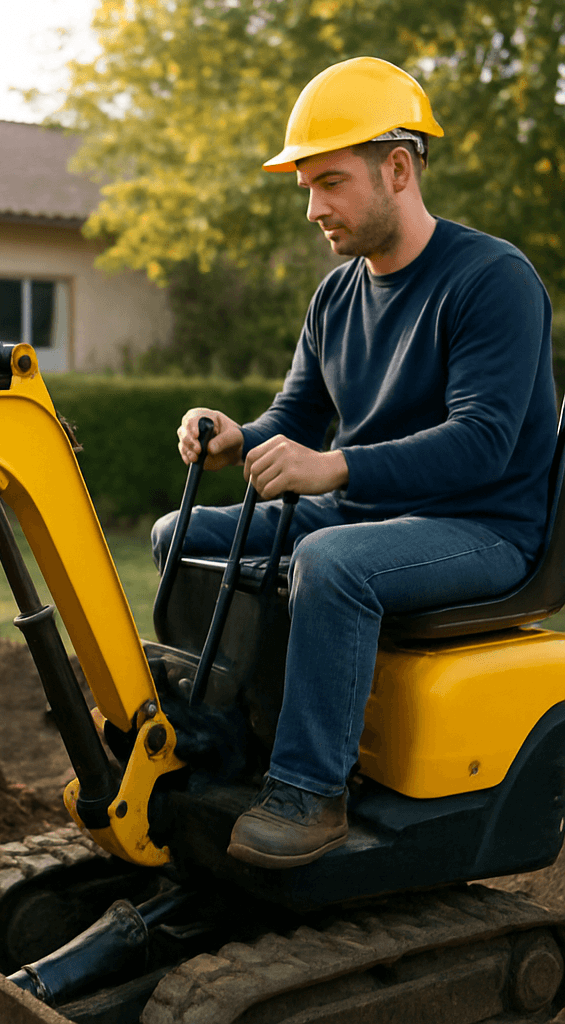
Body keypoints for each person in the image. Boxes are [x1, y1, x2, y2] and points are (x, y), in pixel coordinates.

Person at [151, 56, 557, 870]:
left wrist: (333, 470)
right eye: (306, 186)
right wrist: (236, 437)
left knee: (332, 563)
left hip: (484, 526)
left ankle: (310, 794)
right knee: (179, 533)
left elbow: (482, 442)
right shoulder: (337, 295)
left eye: (329, 182)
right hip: (370, 511)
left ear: (398, 169)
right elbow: (293, 420)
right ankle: (232, 737)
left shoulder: (492, 280)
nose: (313, 208)